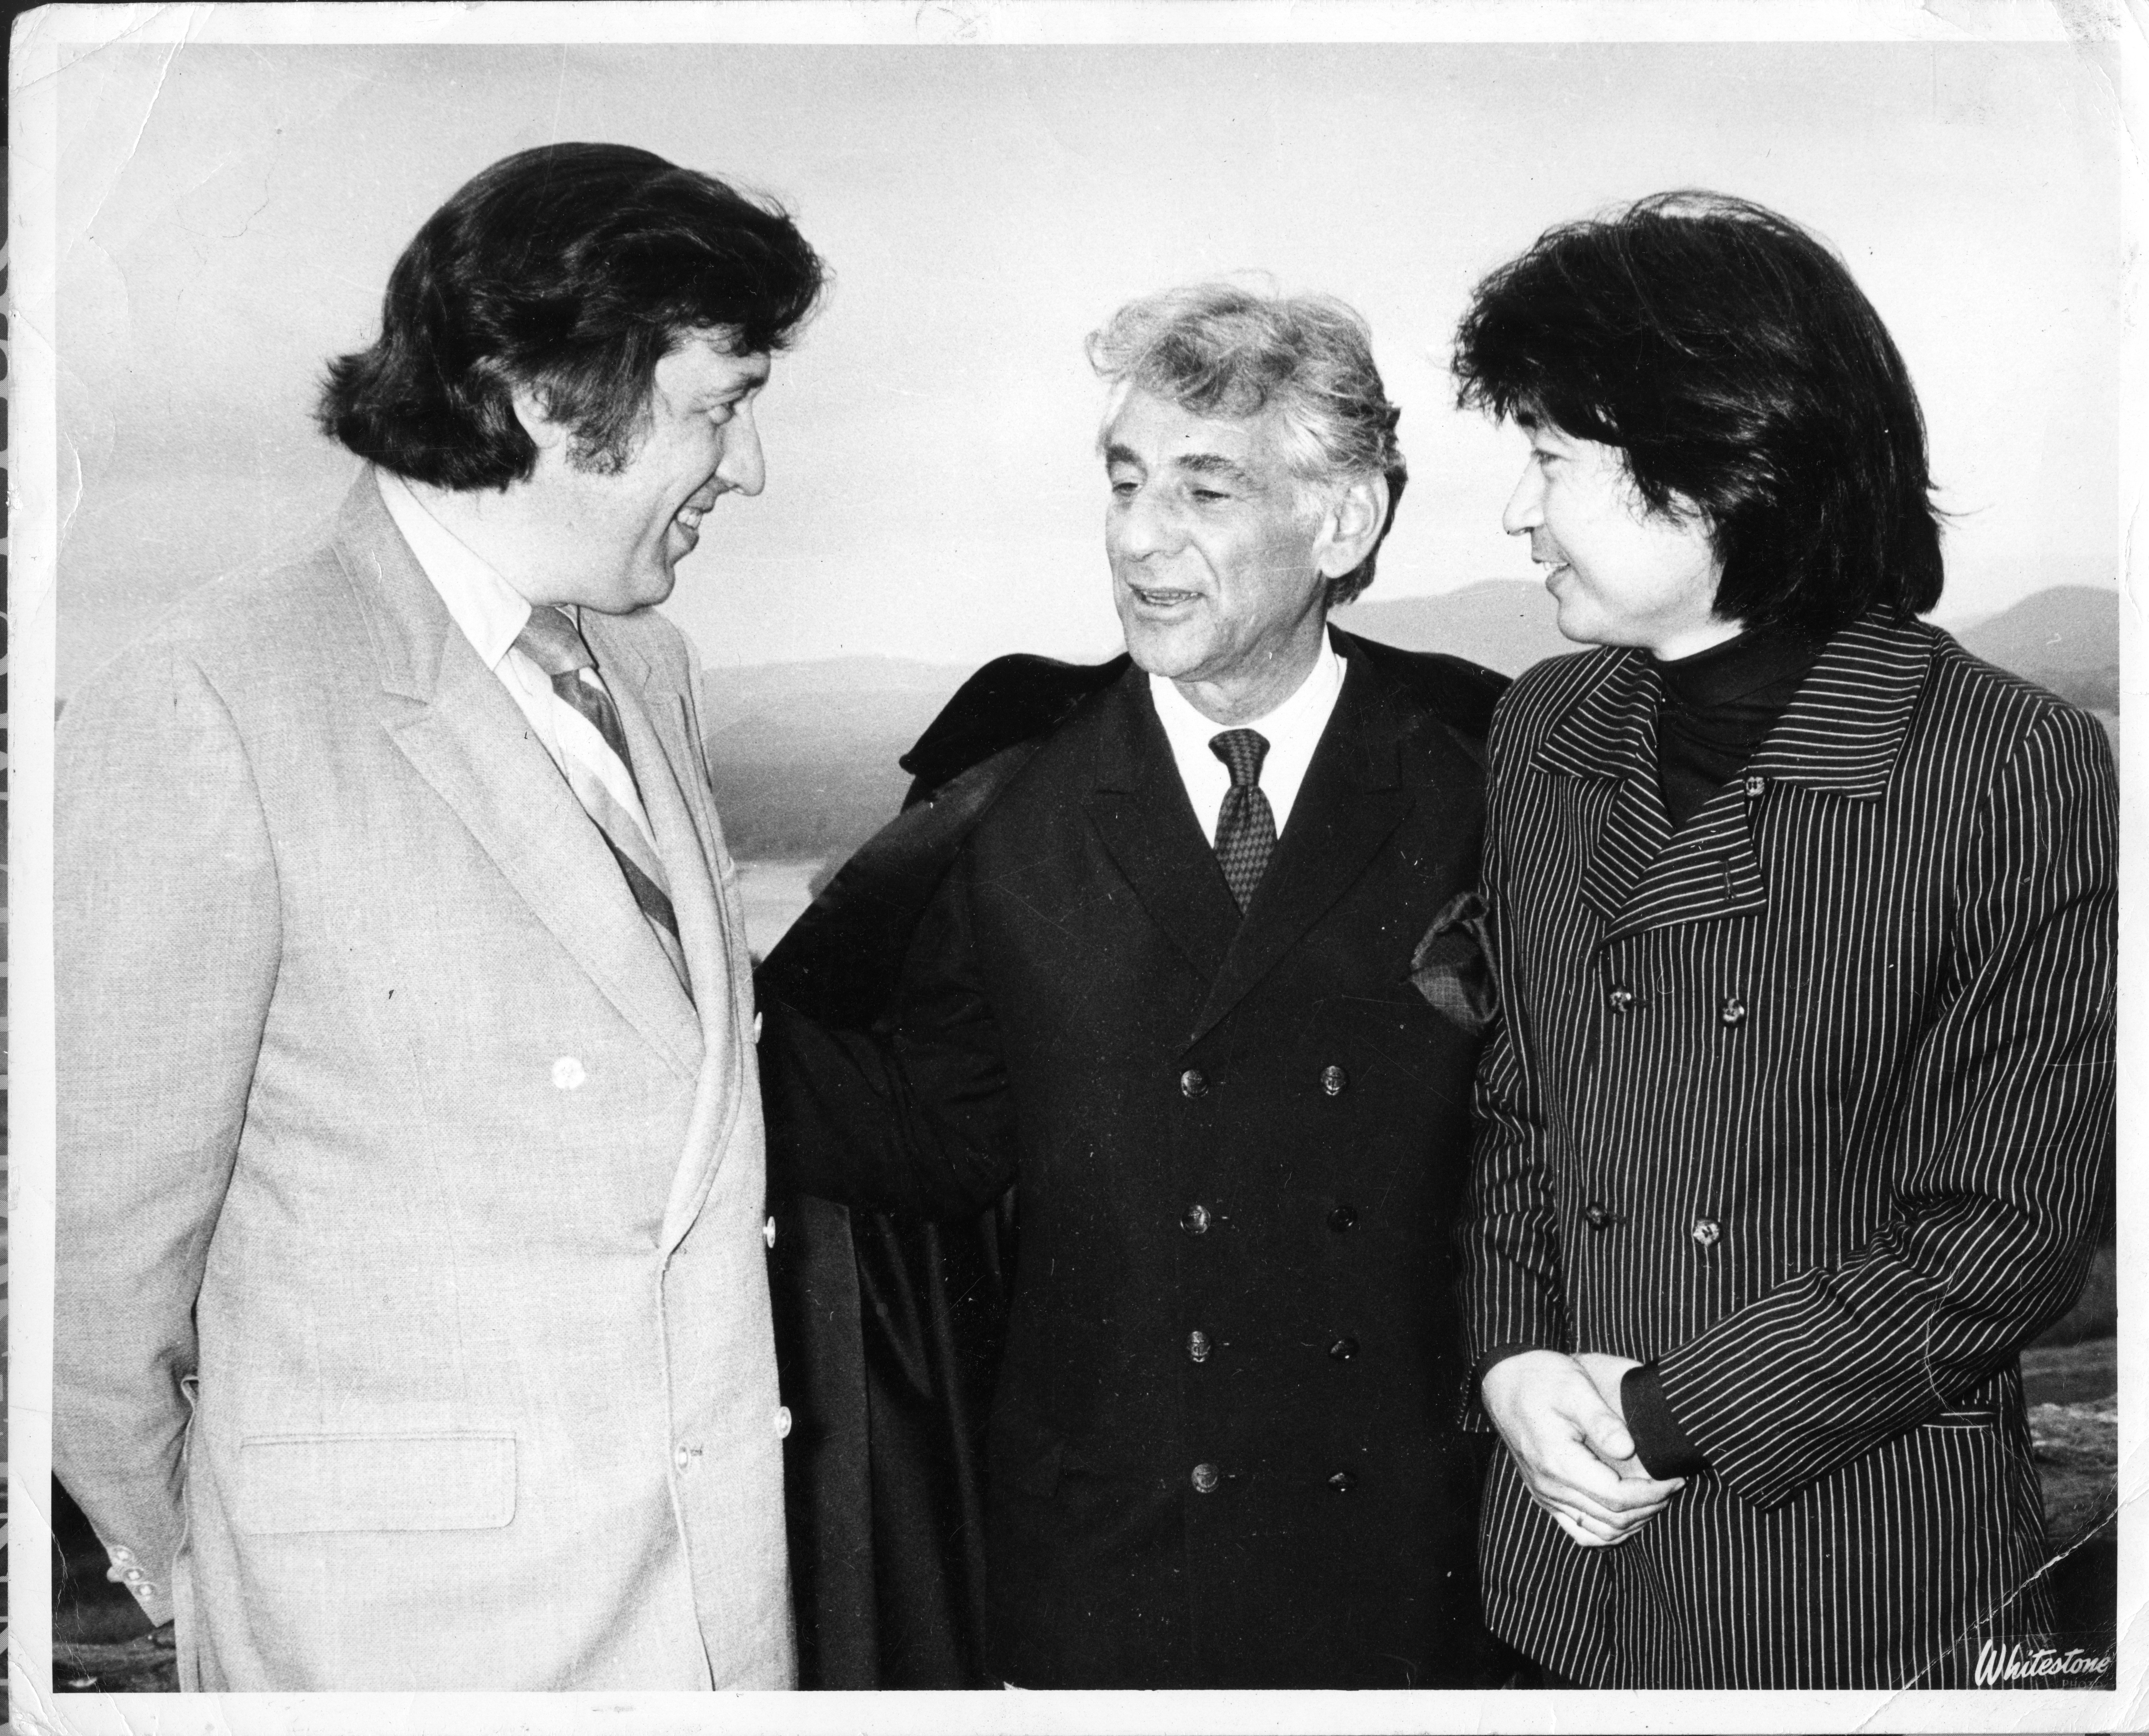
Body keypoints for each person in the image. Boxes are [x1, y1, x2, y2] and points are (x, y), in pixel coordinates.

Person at [54, 142, 824, 1692]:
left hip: (702, 1635)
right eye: (721, 406)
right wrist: (220, 1575)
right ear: (547, 397)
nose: (747, 468)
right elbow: (90, 1267)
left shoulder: (648, 670)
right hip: (387, 1661)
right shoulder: (214, 694)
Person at [757, 283, 1510, 1689]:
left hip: (1417, 1572)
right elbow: (935, 1134)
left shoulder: (1483, 772)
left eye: (1204, 490)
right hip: (1107, 1574)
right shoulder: (1009, 797)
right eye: (1124, 482)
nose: (1139, 537)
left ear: (1345, 521)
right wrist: (688, 1018)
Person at [1451, 191, 2116, 1690]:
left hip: (1849, 1578)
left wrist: (1672, 1415)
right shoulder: (1546, 728)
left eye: (1549, 458)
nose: (1517, 513)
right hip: (1561, 1573)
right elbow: (1518, 1107)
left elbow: (2005, 1225)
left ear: (1713, 468)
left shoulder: (2000, 763)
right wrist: (1513, 1360)